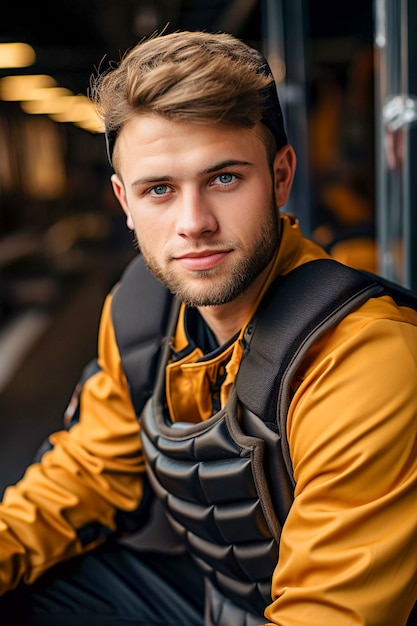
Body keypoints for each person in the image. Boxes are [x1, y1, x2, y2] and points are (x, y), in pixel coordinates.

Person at [0, 30, 416, 626]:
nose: (193, 223)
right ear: (124, 200)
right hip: (219, 604)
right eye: (160, 190)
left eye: (224, 178)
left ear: (280, 176)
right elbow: (85, 475)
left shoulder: (360, 356)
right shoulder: (141, 314)